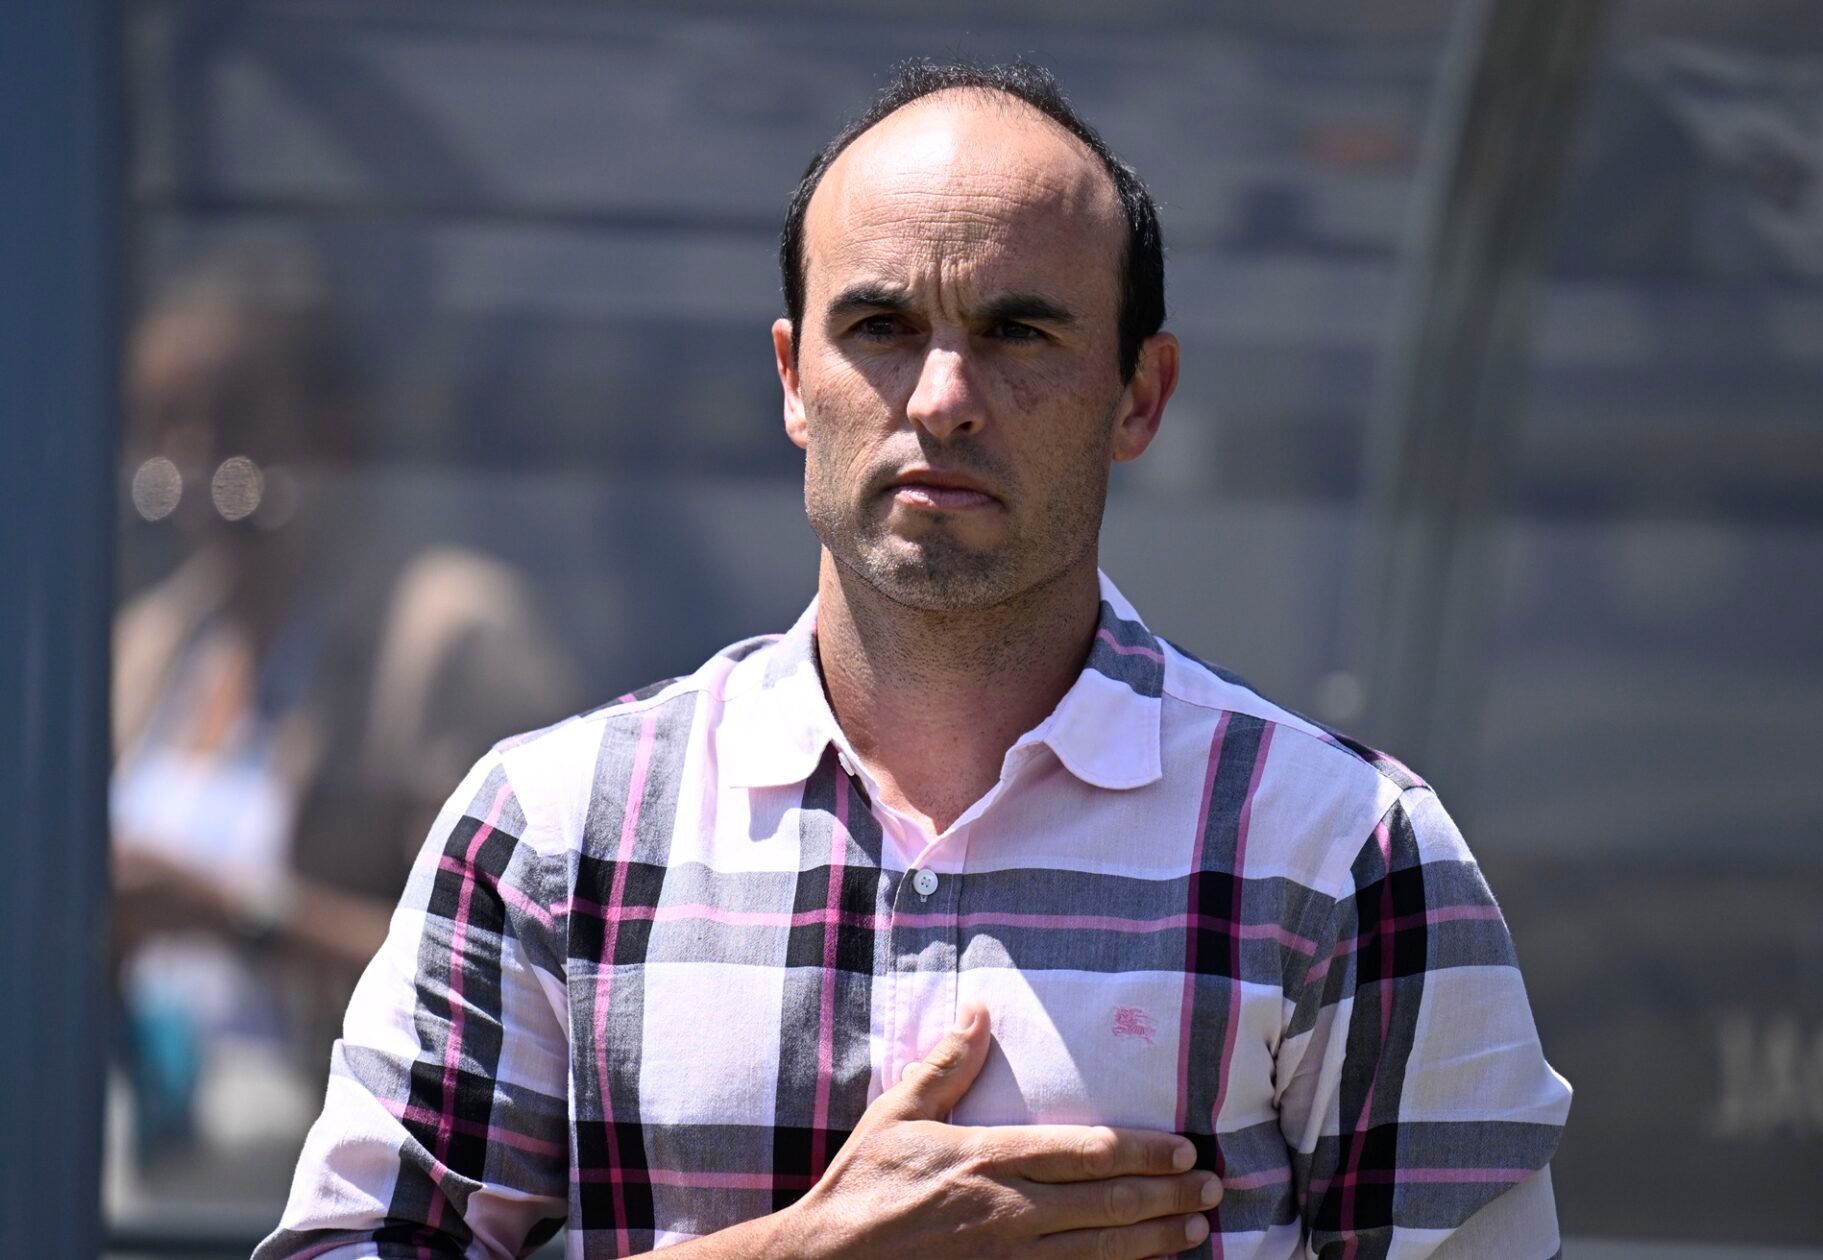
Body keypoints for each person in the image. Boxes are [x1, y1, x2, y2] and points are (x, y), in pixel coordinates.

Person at [259, 60, 1570, 1259]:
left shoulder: (1346, 859)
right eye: (880, 326)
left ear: (1141, 396)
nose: (943, 393)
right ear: (791, 377)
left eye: (1019, 332)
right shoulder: (553, 836)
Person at [111, 246, 578, 1191]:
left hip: (355, 1181)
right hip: (143, 1173)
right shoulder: (149, 648)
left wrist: (232, 917)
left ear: (330, 429)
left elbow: (519, 975)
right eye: (168, 426)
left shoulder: (445, 636)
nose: (198, 465)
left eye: (236, 419)